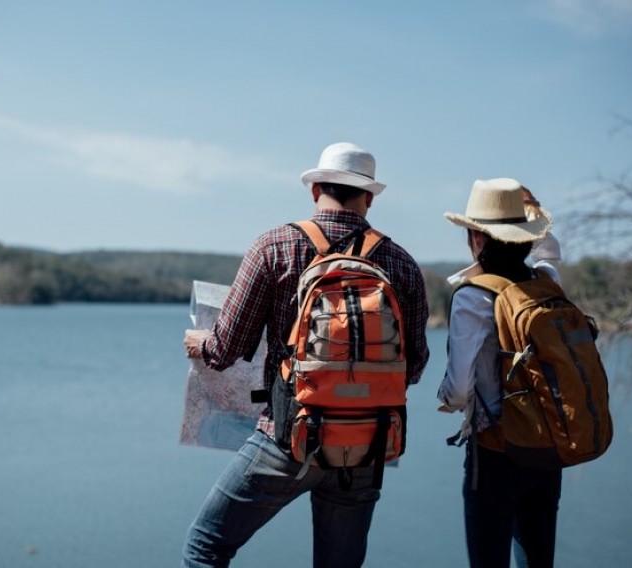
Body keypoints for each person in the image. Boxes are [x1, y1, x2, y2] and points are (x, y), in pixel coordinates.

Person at [182, 142, 430, 567]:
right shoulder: (401, 263)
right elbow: (415, 366)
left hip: (287, 436)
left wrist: (200, 343)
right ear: (368, 198)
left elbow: (227, 349)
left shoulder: (273, 246)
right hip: (366, 443)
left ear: (315, 190)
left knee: (206, 545)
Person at [437, 178, 563, 568]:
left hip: (494, 450)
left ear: (476, 237)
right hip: (547, 446)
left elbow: (458, 390)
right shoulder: (546, 283)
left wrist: (446, 401)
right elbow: (549, 252)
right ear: (525, 234)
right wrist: (534, 214)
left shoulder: (474, 295)